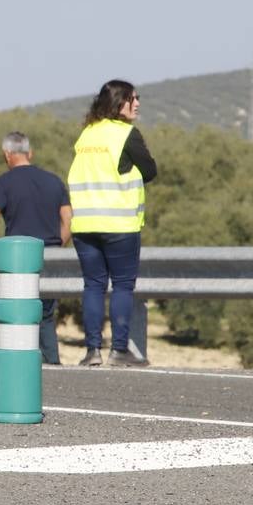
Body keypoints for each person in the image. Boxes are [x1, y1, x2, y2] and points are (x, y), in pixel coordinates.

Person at [67, 80, 156, 367]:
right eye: (134, 98)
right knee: (122, 286)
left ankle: (92, 351)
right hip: (119, 223)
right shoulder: (126, 134)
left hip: (84, 224)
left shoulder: (86, 135)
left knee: (92, 286)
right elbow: (151, 171)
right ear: (120, 103)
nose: (138, 103)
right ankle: (119, 350)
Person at [0, 131, 71, 365]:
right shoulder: (54, 181)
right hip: (49, 254)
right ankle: (51, 363)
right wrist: (57, 245)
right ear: (30, 153)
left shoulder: (5, 182)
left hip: (18, 259)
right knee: (46, 315)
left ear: (7, 154)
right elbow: (68, 220)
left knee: (19, 315)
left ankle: (22, 365)